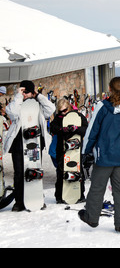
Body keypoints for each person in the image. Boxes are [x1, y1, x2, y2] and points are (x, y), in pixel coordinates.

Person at [79, 76, 120, 233]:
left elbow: (92, 131)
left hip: (103, 155)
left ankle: (91, 218)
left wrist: (86, 151)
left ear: (110, 89)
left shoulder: (103, 107)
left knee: (97, 187)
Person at [4, 80, 55, 212]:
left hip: (35, 142)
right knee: (19, 173)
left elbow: (51, 109)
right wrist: (18, 97)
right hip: (18, 143)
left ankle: (37, 198)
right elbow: (12, 113)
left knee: (35, 169)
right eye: (23, 91)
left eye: (27, 92)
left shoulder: (39, 105)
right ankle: (20, 201)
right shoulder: (17, 104)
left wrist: (38, 96)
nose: (25, 94)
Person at [50, 98, 88, 204]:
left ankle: (80, 194)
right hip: (61, 149)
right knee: (61, 171)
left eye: (65, 110)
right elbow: (53, 128)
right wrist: (63, 129)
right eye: (61, 111)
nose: (63, 113)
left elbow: (86, 129)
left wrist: (76, 128)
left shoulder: (78, 116)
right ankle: (60, 196)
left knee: (78, 170)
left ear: (69, 107)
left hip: (76, 149)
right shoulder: (58, 118)